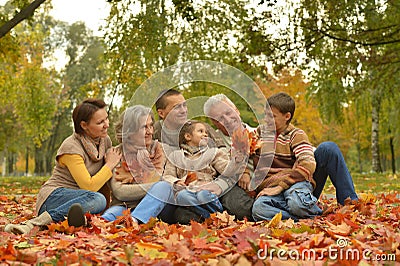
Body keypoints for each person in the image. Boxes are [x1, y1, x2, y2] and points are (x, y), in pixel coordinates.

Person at [203, 93, 358, 212]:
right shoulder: (214, 142)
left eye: (228, 113)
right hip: (268, 192)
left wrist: (300, 163)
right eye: (219, 118)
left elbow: (308, 157)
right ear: (213, 122)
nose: (227, 119)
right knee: (258, 208)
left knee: (328, 149)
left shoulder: (258, 132)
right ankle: (298, 211)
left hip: (295, 184)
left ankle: (349, 202)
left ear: (236, 110)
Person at [5, 99, 122, 235]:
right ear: (84, 125)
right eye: (100, 122)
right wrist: (110, 164)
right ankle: (34, 223)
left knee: (99, 202)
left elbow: (104, 181)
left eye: (106, 119)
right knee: (98, 199)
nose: (106, 125)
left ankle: (77, 221)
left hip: (82, 201)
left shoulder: (104, 141)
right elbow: (89, 186)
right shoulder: (71, 147)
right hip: (54, 198)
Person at [252, 92, 322, 221]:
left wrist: (281, 186)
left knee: (296, 203)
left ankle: (303, 210)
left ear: (287, 116)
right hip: (270, 187)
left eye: (272, 116)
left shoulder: (296, 135)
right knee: (259, 210)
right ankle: (303, 216)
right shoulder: (260, 132)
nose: (266, 120)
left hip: (294, 184)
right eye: (265, 115)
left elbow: (308, 164)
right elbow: (248, 156)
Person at [101, 105, 175, 224]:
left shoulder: (162, 151)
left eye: (151, 126)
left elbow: (167, 187)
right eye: (144, 127)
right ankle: (87, 223)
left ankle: (134, 221)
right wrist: (155, 185)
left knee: (164, 187)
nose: (150, 131)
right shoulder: (115, 153)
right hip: (125, 206)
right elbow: (119, 192)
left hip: (158, 207)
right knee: (109, 216)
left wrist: (159, 186)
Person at [163, 120, 235, 219]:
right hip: (188, 190)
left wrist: (235, 161)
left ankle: (218, 213)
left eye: (206, 132)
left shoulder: (213, 153)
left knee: (203, 195)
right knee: (181, 196)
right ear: (188, 137)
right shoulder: (175, 156)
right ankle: (210, 217)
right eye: (201, 131)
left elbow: (226, 170)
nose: (205, 134)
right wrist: (176, 182)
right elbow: (167, 176)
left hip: (206, 189)